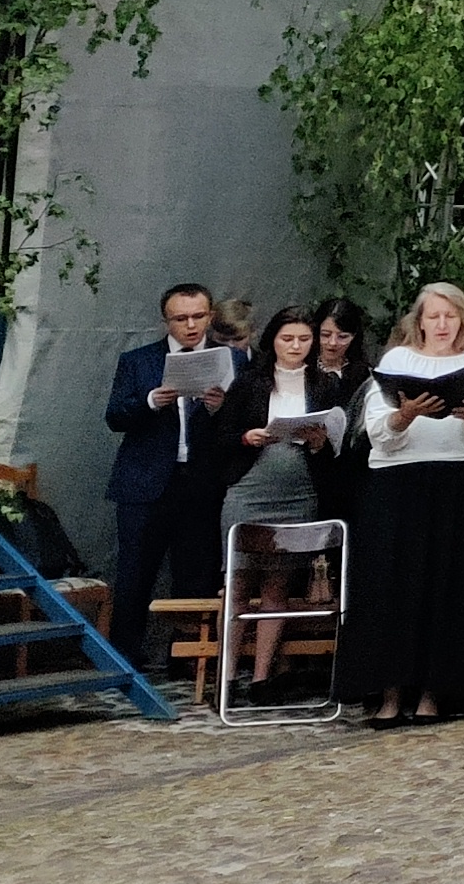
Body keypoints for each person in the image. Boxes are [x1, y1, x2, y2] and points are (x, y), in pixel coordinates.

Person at [338, 284, 464, 726]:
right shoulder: (397, 361)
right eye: (433, 316)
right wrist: (408, 413)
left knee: (449, 586)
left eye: (450, 316)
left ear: (462, 320)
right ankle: (390, 694)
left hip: (459, 481)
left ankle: (435, 694)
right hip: (398, 483)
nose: (441, 325)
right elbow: (378, 429)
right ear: (418, 321)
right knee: (392, 585)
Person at [214, 305, 346, 691]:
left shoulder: (323, 385)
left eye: (305, 340)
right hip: (251, 487)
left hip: (298, 491)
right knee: (238, 584)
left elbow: (336, 441)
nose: (296, 346)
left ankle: (260, 676)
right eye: (288, 339)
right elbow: (221, 438)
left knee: (277, 587)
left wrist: (321, 443)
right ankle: (226, 676)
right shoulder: (250, 383)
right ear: (272, 340)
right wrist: (247, 437)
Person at [101, 282, 230, 673]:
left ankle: (188, 656)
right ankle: (125, 656)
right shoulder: (138, 361)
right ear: (166, 321)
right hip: (147, 480)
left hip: (201, 478)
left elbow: (245, 421)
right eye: (181, 318)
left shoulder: (231, 360)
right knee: (136, 569)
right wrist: (150, 401)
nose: (190, 326)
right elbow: (115, 416)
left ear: (210, 316)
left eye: (198, 316)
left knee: (197, 569)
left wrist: (220, 409)